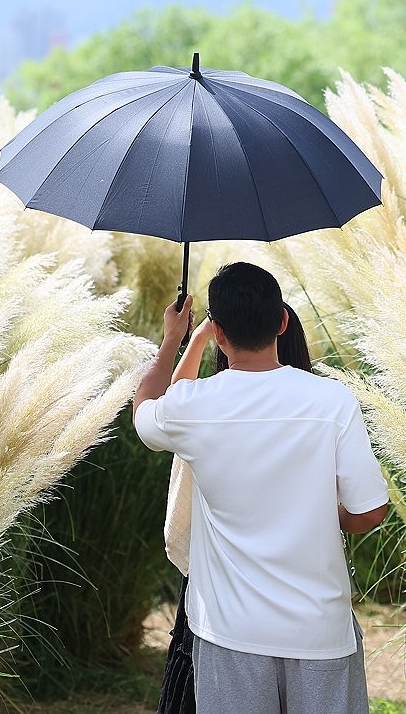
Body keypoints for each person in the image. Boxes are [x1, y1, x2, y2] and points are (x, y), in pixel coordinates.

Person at [134, 262, 389, 714]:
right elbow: (369, 512)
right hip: (320, 632)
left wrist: (179, 338)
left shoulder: (195, 406)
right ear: (283, 320)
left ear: (220, 334)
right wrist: (320, 511)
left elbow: (148, 408)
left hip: (231, 634)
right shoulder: (332, 401)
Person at [156, 301, 313, 714]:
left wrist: (187, 337)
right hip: (303, 594)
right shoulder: (320, 406)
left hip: (217, 596)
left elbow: (168, 399)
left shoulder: (206, 409)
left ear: (224, 338)